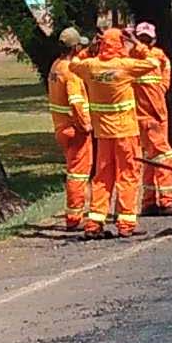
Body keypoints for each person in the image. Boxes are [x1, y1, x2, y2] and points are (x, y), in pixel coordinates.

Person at [80, 21, 148, 236]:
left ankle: (94, 222)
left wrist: (89, 49)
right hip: (126, 132)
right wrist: (136, 43)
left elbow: (74, 63)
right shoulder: (125, 66)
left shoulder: (90, 66)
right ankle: (126, 224)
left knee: (102, 177)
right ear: (120, 44)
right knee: (128, 175)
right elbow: (153, 62)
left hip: (103, 133)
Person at [46, 28, 95, 234]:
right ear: (74, 47)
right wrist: (86, 126)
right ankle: (75, 217)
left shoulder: (56, 67)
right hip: (75, 129)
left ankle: (75, 214)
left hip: (61, 127)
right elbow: (76, 102)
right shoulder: (71, 72)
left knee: (74, 171)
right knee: (78, 174)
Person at [129, 20, 172, 216]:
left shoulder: (157, 57)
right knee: (163, 157)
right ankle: (165, 202)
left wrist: (136, 45)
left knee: (151, 158)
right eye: (140, 37)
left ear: (154, 40)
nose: (142, 42)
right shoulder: (133, 57)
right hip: (147, 118)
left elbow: (162, 83)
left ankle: (149, 202)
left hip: (157, 116)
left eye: (146, 39)